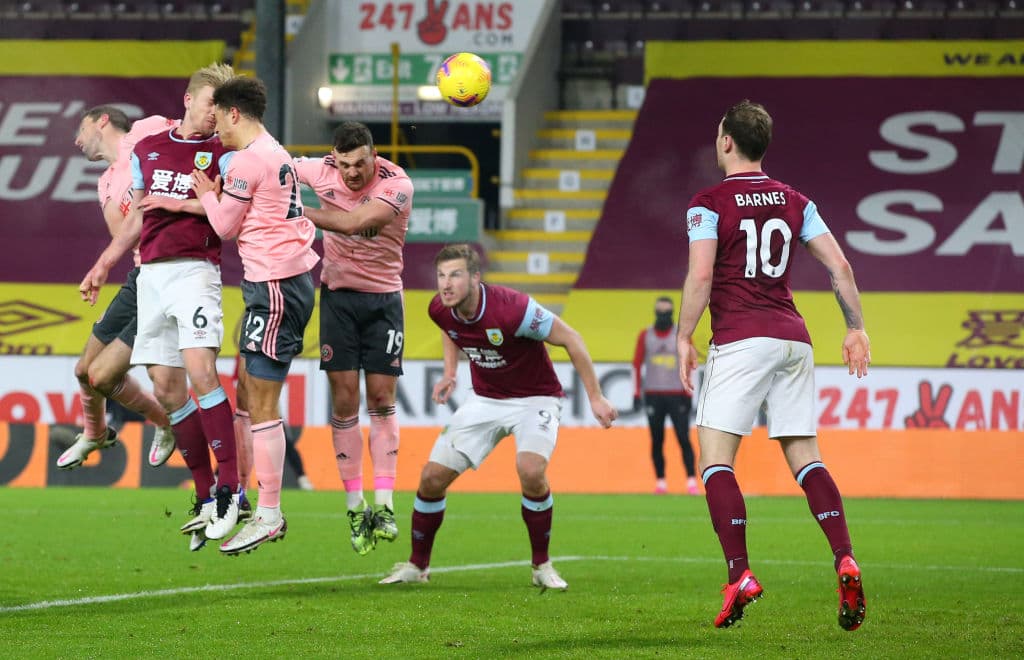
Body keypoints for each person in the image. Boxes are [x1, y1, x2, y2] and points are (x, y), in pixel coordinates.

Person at [675, 100, 870, 630]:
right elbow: (841, 266)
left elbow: (700, 276)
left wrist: (683, 334)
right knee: (806, 457)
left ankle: (739, 573)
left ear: (726, 142)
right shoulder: (796, 201)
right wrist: (855, 327)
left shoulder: (708, 203)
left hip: (741, 339)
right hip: (794, 340)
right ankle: (844, 557)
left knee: (715, 460)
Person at [379, 244, 618, 589]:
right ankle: (418, 566)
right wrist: (450, 373)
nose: (446, 284)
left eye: (456, 275)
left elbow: (572, 339)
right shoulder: (439, 308)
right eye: (441, 276)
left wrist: (596, 397)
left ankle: (542, 566)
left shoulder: (513, 309)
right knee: (431, 478)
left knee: (531, 471)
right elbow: (450, 330)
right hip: (485, 400)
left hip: (536, 398)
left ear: (476, 278)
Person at [79, 63, 242, 550]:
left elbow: (229, 215)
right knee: (168, 390)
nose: (217, 114)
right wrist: (104, 263)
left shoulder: (225, 153)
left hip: (195, 271)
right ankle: (205, 495)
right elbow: (135, 219)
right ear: (190, 99)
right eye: (212, 102)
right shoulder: (148, 147)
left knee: (200, 370)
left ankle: (232, 491)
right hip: (150, 275)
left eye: (223, 106)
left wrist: (195, 204)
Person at [190, 75, 319, 555]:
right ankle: (252, 501)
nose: (214, 124)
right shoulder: (277, 151)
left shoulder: (246, 160)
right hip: (280, 283)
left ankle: (269, 512)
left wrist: (206, 190)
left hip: (275, 287)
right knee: (247, 391)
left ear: (235, 113)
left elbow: (224, 226)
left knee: (262, 402)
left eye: (218, 116)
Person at [293, 121, 412, 555]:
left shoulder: (397, 183)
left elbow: (358, 221)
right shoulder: (317, 169)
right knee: (344, 401)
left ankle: (385, 505)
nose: (352, 173)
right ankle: (354, 508)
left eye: (360, 163)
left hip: (384, 301)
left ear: (374, 156)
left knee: (381, 398)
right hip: (339, 299)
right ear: (333, 158)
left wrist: (299, 212)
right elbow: (275, 167)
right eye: (343, 164)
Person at [57, 106, 180, 471]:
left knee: (103, 375)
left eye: (81, 128)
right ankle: (95, 433)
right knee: (84, 371)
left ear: (103, 121)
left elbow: (195, 134)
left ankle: (168, 423)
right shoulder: (105, 182)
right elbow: (125, 238)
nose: (77, 140)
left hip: (169, 274)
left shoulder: (148, 129)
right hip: (140, 277)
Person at [632, 296, 698, 495]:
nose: (663, 317)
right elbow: (636, 364)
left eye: (666, 313)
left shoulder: (681, 335)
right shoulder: (646, 335)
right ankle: (661, 482)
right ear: (655, 313)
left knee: (683, 438)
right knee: (657, 439)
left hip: (677, 395)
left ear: (672, 313)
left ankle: (691, 481)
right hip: (653, 394)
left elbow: (691, 363)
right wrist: (636, 393)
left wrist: (689, 391)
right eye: (660, 313)